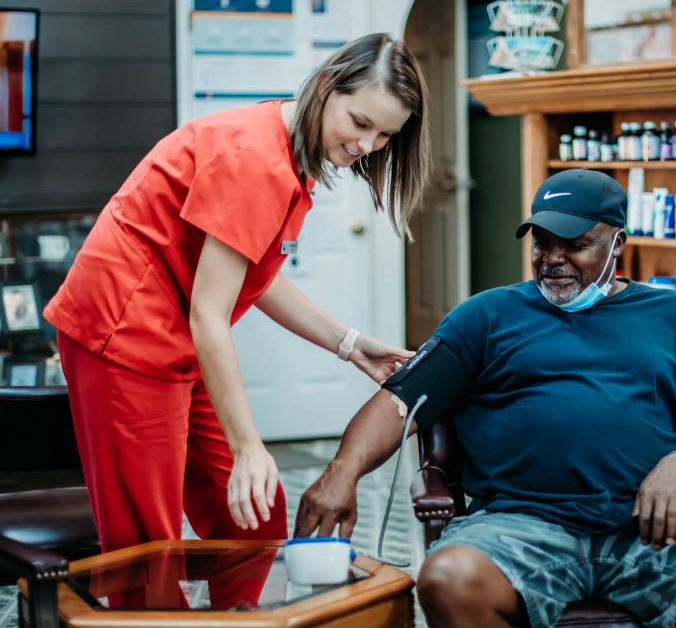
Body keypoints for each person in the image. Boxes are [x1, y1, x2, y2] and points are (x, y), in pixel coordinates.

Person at [294, 169, 676, 628]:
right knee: (448, 578)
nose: (552, 258)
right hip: (519, 525)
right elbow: (400, 403)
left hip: (650, 524)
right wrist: (342, 474)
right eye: (542, 242)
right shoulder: (486, 316)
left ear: (617, 242)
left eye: (574, 245)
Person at [42, 32, 431, 562]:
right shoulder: (255, 159)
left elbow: (254, 274)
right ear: (325, 87)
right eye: (360, 123)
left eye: (385, 135)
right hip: (123, 333)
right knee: (148, 545)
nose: (366, 147)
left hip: (180, 335)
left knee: (255, 510)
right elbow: (210, 312)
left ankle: (242, 616)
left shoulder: (294, 151)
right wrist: (248, 444)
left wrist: (350, 344)